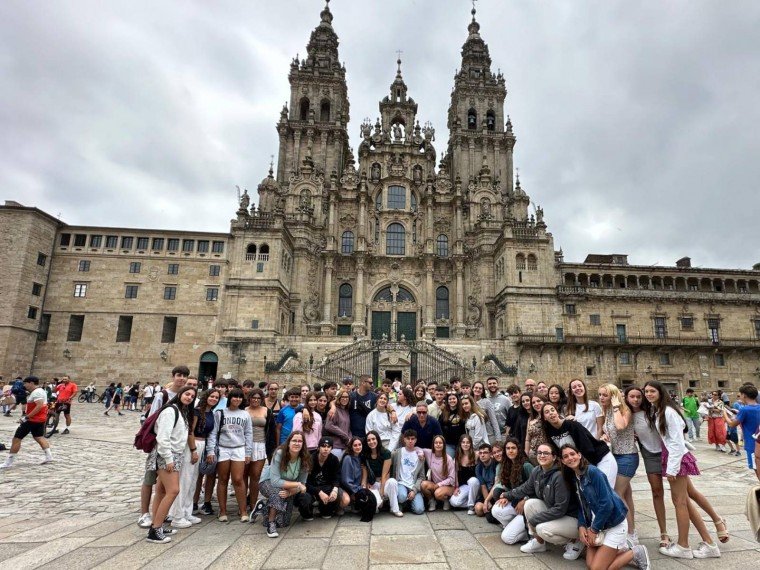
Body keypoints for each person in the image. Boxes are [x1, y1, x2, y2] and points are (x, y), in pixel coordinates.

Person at [643, 381, 724, 559]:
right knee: (685, 499)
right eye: (646, 391)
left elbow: (676, 442)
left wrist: (672, 469)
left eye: (652, 391)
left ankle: (683, 546)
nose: (648, 394)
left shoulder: (668, 412)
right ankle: (709, 544)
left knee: (679, 502)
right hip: (673, 457)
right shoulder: (660, 410)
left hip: (675, 459)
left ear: (660, 392)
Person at [560, 444, 651, 570]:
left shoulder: (593, 472)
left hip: (613, 524)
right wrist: (581, 526)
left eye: (572, 454)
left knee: (598, 569)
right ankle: (621, 548)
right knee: (590, 565)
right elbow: (581, 506)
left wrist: (593, 530)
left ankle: (636, 552)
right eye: (566, 456)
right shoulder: (575, 478)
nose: (570, 458)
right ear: (563, 461)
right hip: (597, 525)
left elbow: (607, 504)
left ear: (579, 455)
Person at [503, 443, 581, 559]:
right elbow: (525, 488)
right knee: (529, 504)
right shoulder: (537, 471)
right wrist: (506, 495)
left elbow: (560, 509)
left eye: (546, 453)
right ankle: (539, 543)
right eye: (539, 453)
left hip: (571, 517)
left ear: (554, 457)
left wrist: (535, 520)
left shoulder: (559, 476)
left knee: (541, 528)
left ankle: (576, 541)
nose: (542, 456)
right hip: (556, 512)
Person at [137, 365, 189, 529]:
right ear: (173, 376)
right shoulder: (163, 396)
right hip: (162, 448)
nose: (181, 378)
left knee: (162, 488)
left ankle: (158, 519)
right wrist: (162, 451)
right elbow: (152, 420)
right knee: (151, 480)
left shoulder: (184, 403)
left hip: (173, 449)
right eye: (179, 375)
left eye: (184, 376)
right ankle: (145, 514)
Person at [145, 385, 198, 543]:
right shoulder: (170, 410)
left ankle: (157, 524)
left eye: (192, 396)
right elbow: (163, 437)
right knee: (173, 490)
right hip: (167, 455)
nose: (189, 397)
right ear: (180, 394)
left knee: (161, 491)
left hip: (175, 454)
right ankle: (155, 531)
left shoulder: (183, 412)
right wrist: (168, 459)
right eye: (187, 394)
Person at [625, 385, 670, 550]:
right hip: (650, 455)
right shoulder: (627, 414)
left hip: (666, 451)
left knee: (685, 493)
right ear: (627, 398)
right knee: (657, 491)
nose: (636, 399)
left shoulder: (652, 410)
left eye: (639, 396)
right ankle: (664, 532)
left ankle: (716, 521)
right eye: (632, 396)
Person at [541, 402, 618, 488]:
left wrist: (583, 471)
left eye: (552, 410)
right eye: (547, 412)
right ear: (544, 417)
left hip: (601, 459)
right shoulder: (549, 432)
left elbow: (587, 448)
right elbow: (558, 454)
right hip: (583, 464)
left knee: (605, 491)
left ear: (557, 412)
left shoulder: (571, 425)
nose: (551, 413)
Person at [598, 383, 638, 545]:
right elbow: (605, 432)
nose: (601, 398)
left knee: (618, 494)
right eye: (600, 395)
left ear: (614, 396)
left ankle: (629, 534)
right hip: (615, 456)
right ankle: (631, 530)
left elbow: (621, 426)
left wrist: (616, 406)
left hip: (627, 456)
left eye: (605, 395)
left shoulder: (623, 409)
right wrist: (603, 437)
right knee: (626, 495)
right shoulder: (606, 411)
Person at [206, 388, 253, 522]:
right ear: (230, 398)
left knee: (238, 479)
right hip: (223, 448)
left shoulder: (245, 414)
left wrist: (248, 452)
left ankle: (243, 510)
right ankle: (222, 511)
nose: (237, 399)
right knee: (222, 479)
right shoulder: (220, 413)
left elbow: (248, 434)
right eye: (234, 397)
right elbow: (213, 433)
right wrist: (210, 450)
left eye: (239, 397)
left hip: (239, 448)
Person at [259, 431, 313, 537]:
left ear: (303, 444)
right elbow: (275, 481)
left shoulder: (305, 459)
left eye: (300, 441)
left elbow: (303, 484)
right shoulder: (280, 453)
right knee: (277, 493)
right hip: (268, 481)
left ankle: (263, 508)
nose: (297, 443)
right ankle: (271, 524)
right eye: (294, 441)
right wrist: (296, 484)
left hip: (288, 487)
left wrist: (290, 493)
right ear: (288, 443)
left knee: (284, 522)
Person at [167, 376, 200, 529]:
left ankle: (184, 512)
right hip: (176, 451)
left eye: (194, 390)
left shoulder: (188, 408)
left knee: (190, 482)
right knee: (180, 483)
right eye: (188, 388)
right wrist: (193, 449)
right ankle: (176, 515)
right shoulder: (172, 409)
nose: (190, 394)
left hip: (183, 450)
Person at [1, 376, 53, 469]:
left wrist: (27, 417)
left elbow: (39, 405)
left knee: (17, 439)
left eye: (26, 383)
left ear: (31, 383)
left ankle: (8, 462)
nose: (24, 385)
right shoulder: (39, 391)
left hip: (32, 420)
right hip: (39, 419)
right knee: (39, 437)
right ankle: (49, 457)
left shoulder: (37, 392)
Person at [490, 438, 534, 544]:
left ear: (518, 449)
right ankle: (517, 527)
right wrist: (506, 497)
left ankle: (531, 533)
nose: (510, 451)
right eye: (508, 448)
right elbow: (510, 488)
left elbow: (536, 488)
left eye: (513, 448)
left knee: (507, 538)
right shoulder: (508, 465)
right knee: (496, 509)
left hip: (529, 505)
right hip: (516, 503)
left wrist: (525, 500)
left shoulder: (526, 466)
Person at [385, 429, 425, 516]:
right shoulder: (397, 453)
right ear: (404, 439)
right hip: (400, 483)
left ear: (416, 440)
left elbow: (421, 477)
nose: (410, 441)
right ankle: (402, 502)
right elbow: (386, 461)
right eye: (408, 438)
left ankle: (406, 504)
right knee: (401, 496)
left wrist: (414, 491)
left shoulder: (420, 456)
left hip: (412, 485)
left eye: (413, 439)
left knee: (419, 510)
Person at [193, 388, 220, 516]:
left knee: (209, 473)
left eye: (216, 397)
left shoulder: (212, 414)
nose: (214, 399)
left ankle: (205, 503)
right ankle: (192, 503)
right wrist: (193, 449)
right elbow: (190, 432)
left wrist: (210, 451)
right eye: (212, 396)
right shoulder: (197, 411)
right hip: (196, 445)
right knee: (195, 475)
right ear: (206, 397)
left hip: (206, 446)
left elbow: (211, 434)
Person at [246, 389, 271, 522]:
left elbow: (271, 429)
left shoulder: (266, 411)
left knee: (255, 475)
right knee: (244, 475)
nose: (255, 400)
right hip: (245, 445)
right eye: (253, 398)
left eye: (258, 398)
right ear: (249, 398)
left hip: (260, 445)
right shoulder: (244, 410)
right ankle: (243, 504)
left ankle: (253, 504)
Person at [305, 436, 343, 519]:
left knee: (327, 514)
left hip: (326, 487)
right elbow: (306, 482)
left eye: (328, 447)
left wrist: (335, 489)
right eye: (323, 446)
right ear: (318, 448)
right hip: (312, 488)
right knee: (304, 499)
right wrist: (318, 492)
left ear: (331, 448)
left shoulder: (334, 459)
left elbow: (337, 477)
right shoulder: (310, 459)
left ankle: (325, 508)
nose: (326, 449)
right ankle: (308, 511)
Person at [724, 383, 760, 471]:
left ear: (744, 395)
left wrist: (724, 414)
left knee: (757, 469)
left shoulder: (744, 409)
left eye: (740, 395)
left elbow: (732, 424)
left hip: (751, 443)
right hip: (758, 440)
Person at [420, 434, 456, 512]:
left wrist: (439, 484)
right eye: (436, 443)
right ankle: (432, 501)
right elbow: (417, 449)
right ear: (433, 444)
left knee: (438, 493)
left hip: (448, 486)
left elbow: (452, 479)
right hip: (435, 484)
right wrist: (420, 454)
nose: (438, 445)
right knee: (423, 484)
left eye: (440, 443)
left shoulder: (448, 459)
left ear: (444, 445)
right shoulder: (429, 453)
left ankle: (446, 500)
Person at [449, 434, 480, 514]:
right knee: (453, 502)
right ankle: (475, 502)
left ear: (471, 444)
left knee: (472, 480)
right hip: (464, 486)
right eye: (463, 442)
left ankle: (471, 507)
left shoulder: (476, 455)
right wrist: (456, 487)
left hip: (475, 485)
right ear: (460, 444)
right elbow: (455, 474)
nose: (465, 444)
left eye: (468, 442)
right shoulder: (457, 458)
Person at [364, 430, 393, 510]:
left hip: (383, 482)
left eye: (373, 439)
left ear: (377, 439)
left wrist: (382, 490)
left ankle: (394, 508)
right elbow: (365, 472)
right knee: (377, 507)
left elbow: (385, 474)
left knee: (393, 482)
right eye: (369, 440)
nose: (371, 442)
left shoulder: (386, 453)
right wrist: (366, 484)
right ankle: (380, 502)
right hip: (373, 484)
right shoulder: (365, 454)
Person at [324, 389, 352, 460]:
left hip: (345, 446)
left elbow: (348, 428)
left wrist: (350, 439)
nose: (345, 399)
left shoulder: (346, 411)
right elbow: (329, 426)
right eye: (343, 397)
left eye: (346, 397)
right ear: (339, 398)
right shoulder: (334, 410)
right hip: (336, 446)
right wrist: (345, 436)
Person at [473, 443, 497, 517]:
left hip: (495, 492)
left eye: (485, 453)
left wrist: (488, 501)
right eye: (480, 453)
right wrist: (488, 502)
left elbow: (496, 484)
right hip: (485, 494)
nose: (482, 455)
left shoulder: (495, 465)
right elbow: (483, 486)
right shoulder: (478, 467)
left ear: (491, 454)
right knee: (478, 509)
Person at [525, 394, 548, 463]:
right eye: (533, 402)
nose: (536, 404)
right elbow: (527, 439)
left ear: (544, 401)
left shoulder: (549, 415)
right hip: (533, 455)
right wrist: (526, 452)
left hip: (547, 453)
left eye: (538, 401)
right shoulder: (530, 419)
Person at [440, 392, 464, 457]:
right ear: (447, 401)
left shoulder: (462, 411)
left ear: (457, 400)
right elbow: (440, 427)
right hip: (449, 444)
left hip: (461, 443)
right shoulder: (444, 413)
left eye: (454, 398)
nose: (452, 400)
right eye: (450, 399)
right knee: (449, 462)